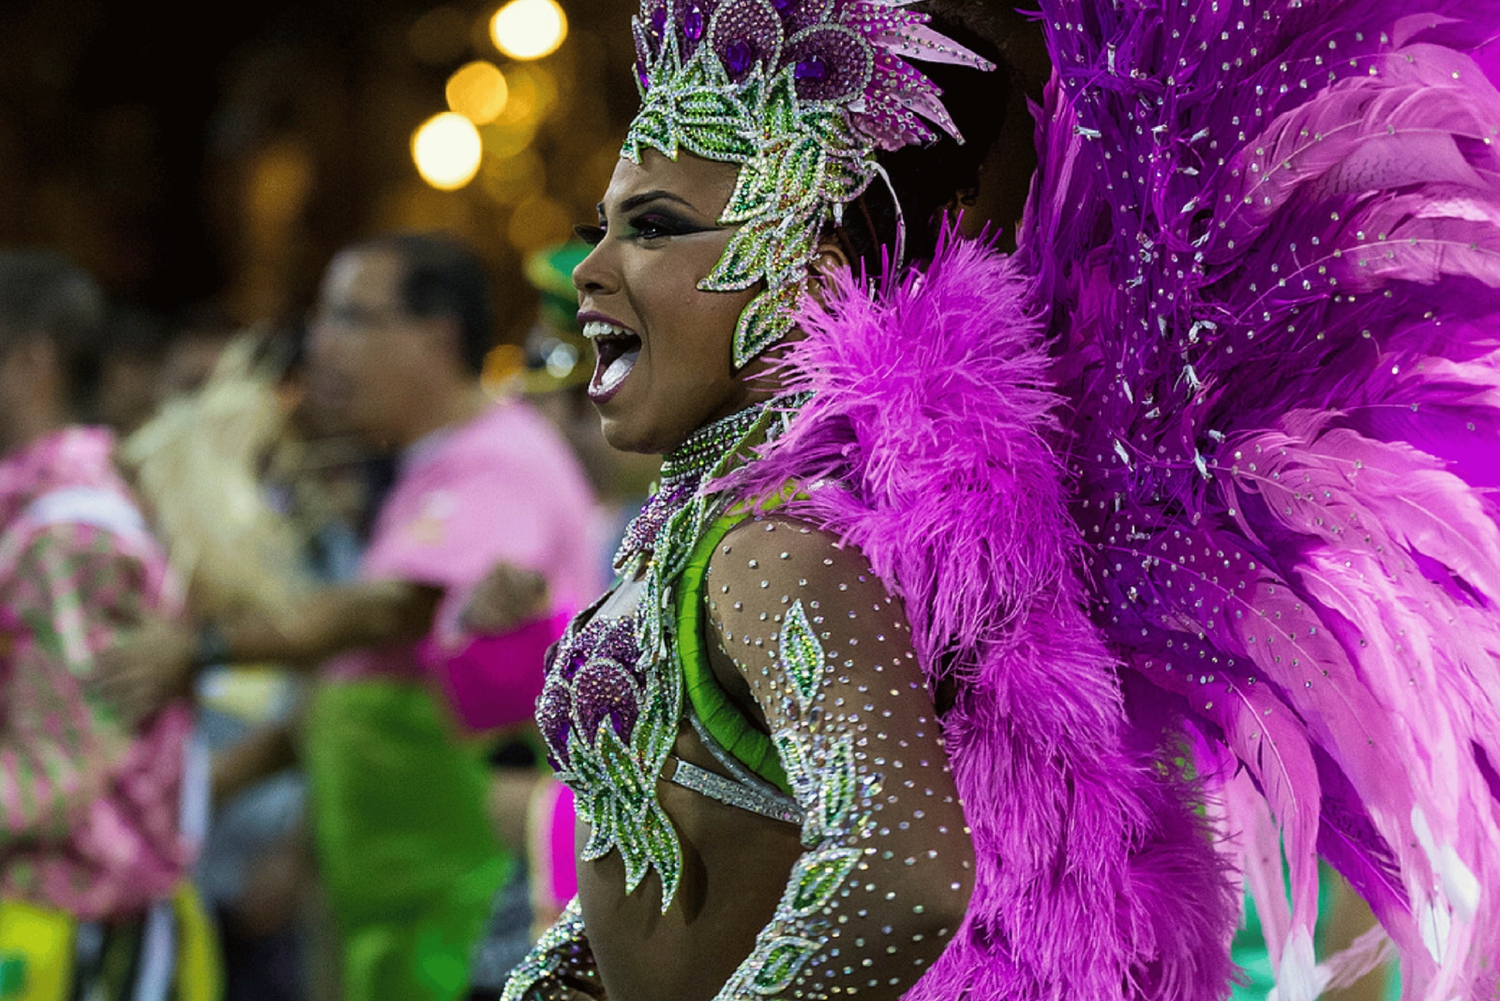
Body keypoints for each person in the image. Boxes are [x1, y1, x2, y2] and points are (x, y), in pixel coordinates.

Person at [500, 0, 1500, 998]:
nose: (589, 270)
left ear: (812, 265)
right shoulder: (732, 530)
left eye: (655, 229)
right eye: (605, 229)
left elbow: (902, 877)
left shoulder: (778, 552)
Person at [98, 233, 600, 1001]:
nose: (320, 345)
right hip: (402, 915)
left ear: (436, 337)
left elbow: (392, 614)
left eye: (348, 317)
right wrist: (200, 788)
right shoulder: (427, 467)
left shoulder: (498, 460)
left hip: (472, 913)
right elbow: (359, 686)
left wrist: (201, 645)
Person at [0, 250, 217, 1001]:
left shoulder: (68, 538)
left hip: (70, 929)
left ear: (30, 361)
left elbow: (53, 773)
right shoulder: (48, 515)